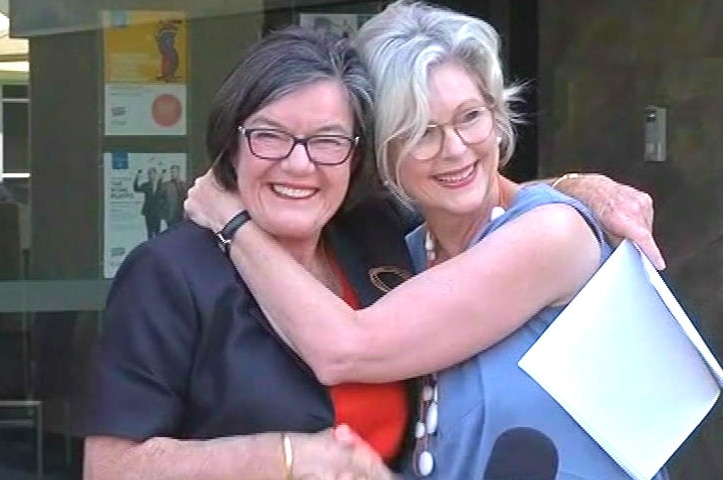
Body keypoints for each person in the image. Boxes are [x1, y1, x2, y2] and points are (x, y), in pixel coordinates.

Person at [183, 2, 668, 479]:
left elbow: (344, 349)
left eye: (470, 117)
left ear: (498, 120)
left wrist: (232, 218)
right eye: (420, 132)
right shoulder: (405, 255)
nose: (454, 149)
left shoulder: (551, 233)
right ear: (380, 150)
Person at [84, 27, 409, 480]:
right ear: (232, 145)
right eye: (270, 135)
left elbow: (474, 217)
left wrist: (543, 202)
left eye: (328, 141)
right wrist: (282, 458)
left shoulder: (379, 239)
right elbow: (109, 469)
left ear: (355, 157)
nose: (299, 164)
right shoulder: (168, 273)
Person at [133, 166, 163, 239]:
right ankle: (150, 247)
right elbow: (136, 189)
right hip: (148, 211)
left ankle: (158, 246)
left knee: (157, 231)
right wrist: (137, 177)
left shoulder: (161, 185)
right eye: (149, 174)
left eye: (152, 174)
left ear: (156, 174)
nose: (150, 175)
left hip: (158, 211)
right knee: (149, 231)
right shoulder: (146, 185)